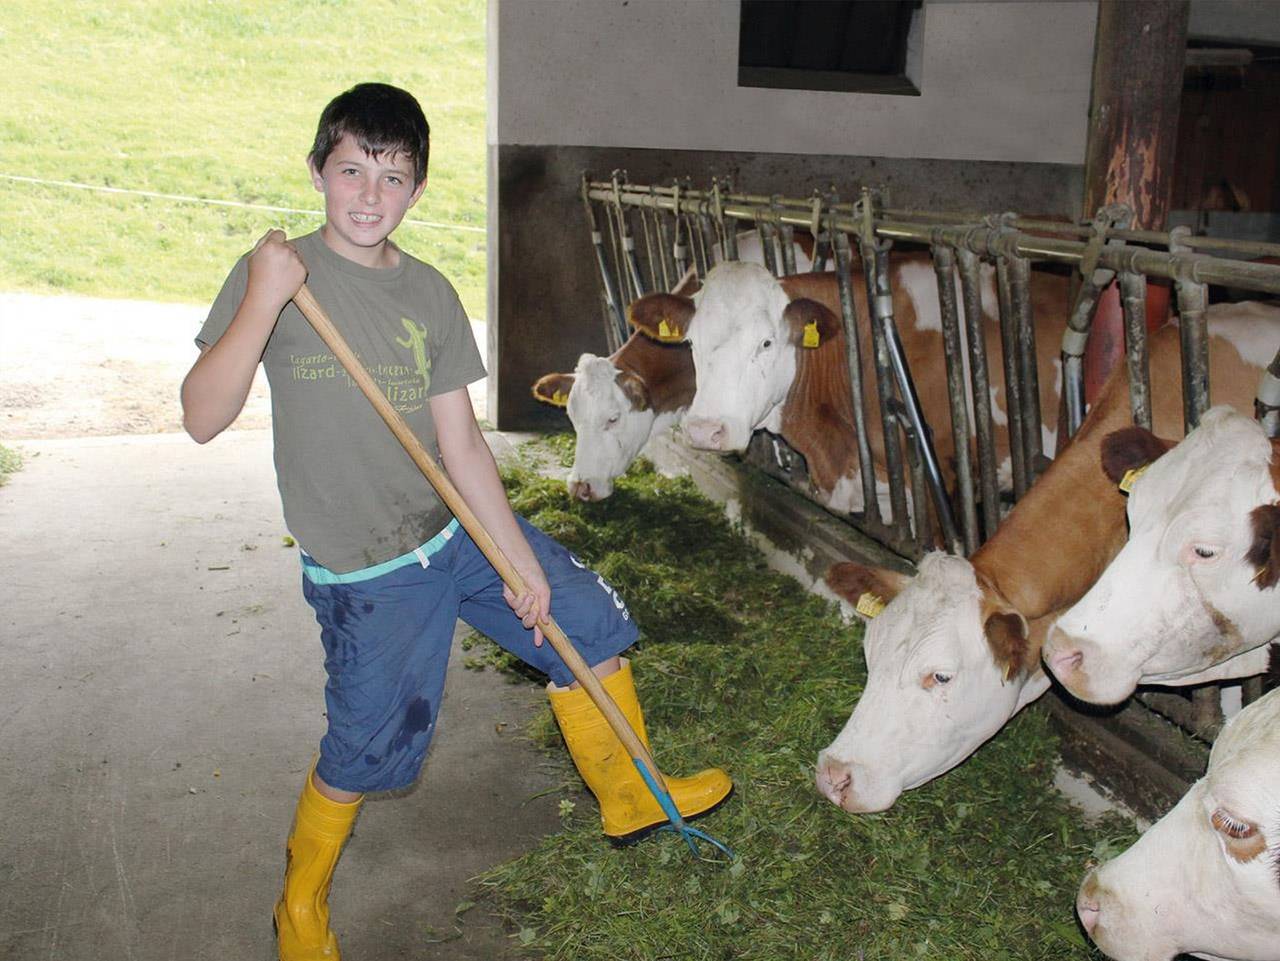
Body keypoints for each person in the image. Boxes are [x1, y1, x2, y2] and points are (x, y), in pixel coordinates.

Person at [180, 82, 732, 961]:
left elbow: (463, 448)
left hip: (453, 533)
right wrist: (262, 296)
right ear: (317, 171)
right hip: (367, 574)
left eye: (393, 177)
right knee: (369, 748)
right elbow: (201, 415)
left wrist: (520, 561)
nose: (369, 195)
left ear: (420, 190)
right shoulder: (277, 283)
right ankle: (300, 905)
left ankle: (629, 791)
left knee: (583, 622)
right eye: (352, 170)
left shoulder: (430, 295)